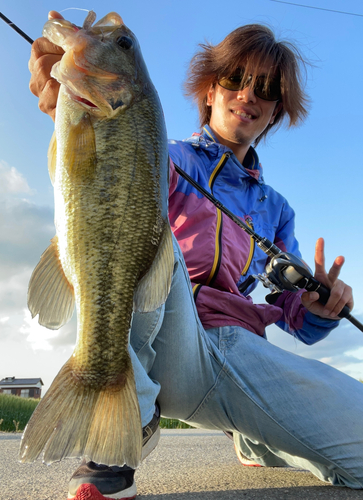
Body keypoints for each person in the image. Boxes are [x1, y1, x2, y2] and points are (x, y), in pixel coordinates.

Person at [28, 11, 363, 500]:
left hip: (230, 353)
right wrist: (68, 112)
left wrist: (320, 307)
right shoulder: (163, 154)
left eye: (265, 88)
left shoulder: (277, 210)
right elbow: (97, 198)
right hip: (158, 332)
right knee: (145, 242)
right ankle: (118, 442)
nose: (247, 95)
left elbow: (296, 322)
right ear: (210, 90)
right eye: (234, 79)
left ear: (276, 110)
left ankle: (259, 441)